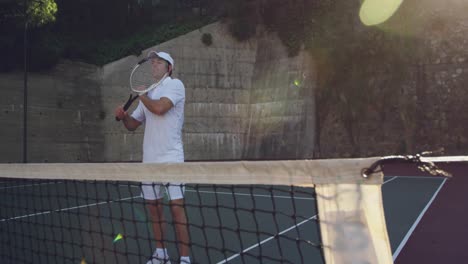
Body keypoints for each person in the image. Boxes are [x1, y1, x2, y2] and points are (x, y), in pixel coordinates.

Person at [115, 51, 190, 264]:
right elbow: (132, 126)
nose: (154, 65)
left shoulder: (176, 85)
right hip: (149, 161)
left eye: (159, 62)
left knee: (176, 208)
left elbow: (159, 108)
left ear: (169, 68)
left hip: (171, 158)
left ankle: (185, 259)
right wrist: (124, 117)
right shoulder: (149, 92)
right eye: (153, 62)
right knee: (153, 209)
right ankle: (161, 254)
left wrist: (142, 96)